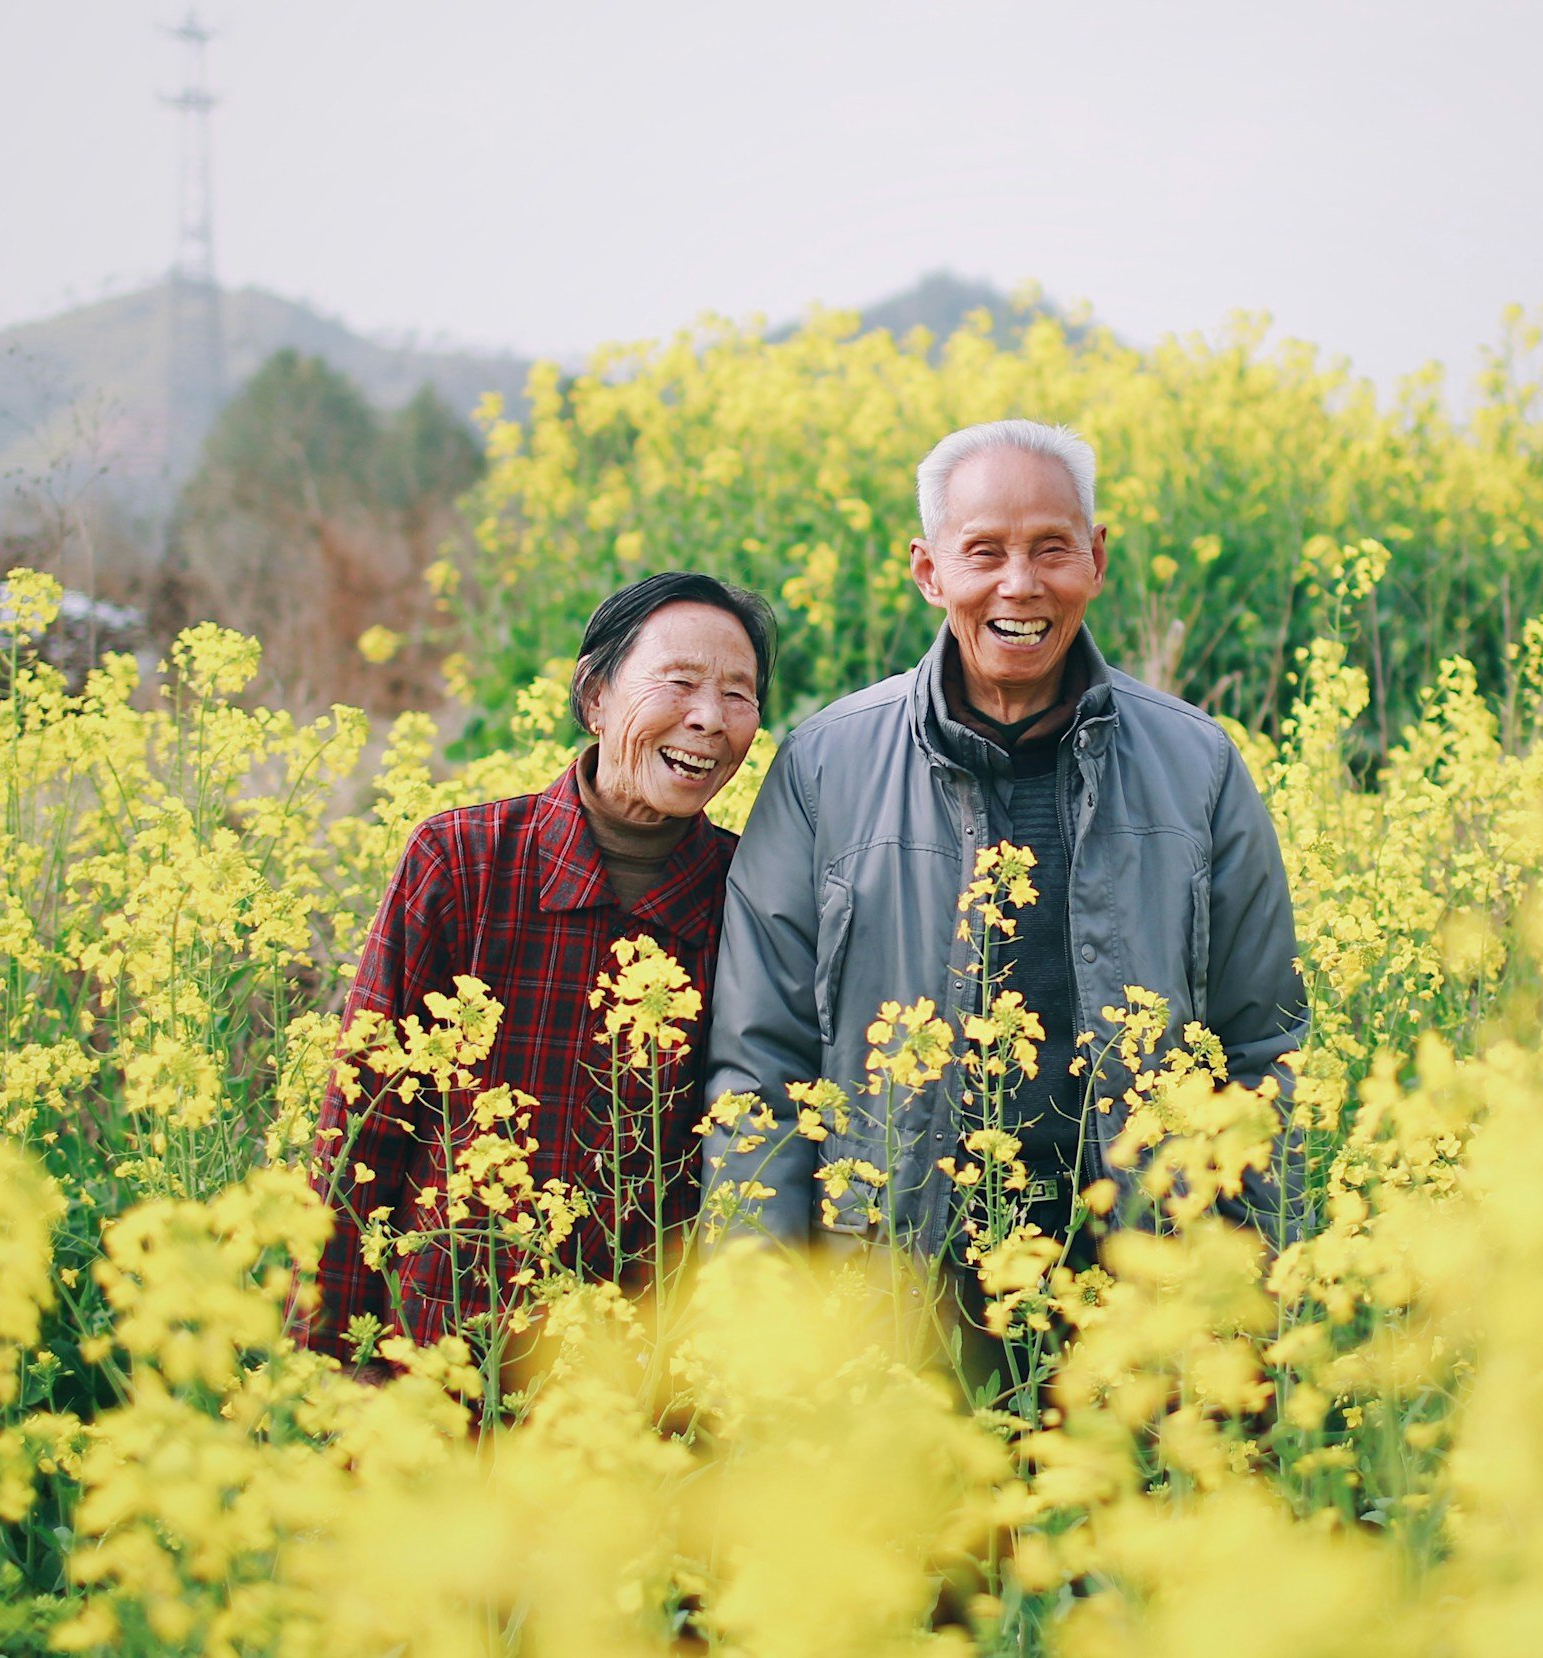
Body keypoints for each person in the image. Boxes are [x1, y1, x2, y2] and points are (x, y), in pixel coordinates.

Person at [701, 419, 1308, 1266]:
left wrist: (1243, 1292)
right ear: (929, 570)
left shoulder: (1196, 764)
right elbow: (762, 1063)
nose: (1019, 586)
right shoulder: (824, 767)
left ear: (1096, 559)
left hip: (1144, 1288)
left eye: (1052, 549)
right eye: (984, 552)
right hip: (891, 1289)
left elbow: (1265, 1047)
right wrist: (760, 1307)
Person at [297, 571, 774, 1361]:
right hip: (438, 1362)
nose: (707, 720)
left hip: (631, 1393)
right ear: (594, 697)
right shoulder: (461, 863)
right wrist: (320, 1372)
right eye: (680, 683)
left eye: (738, 695)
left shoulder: (753, 893)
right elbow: (360, 1130)